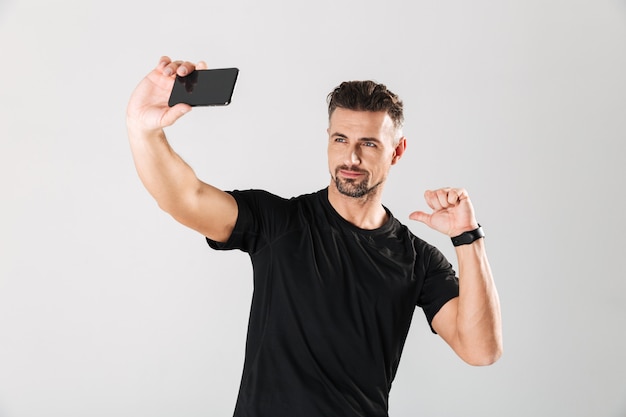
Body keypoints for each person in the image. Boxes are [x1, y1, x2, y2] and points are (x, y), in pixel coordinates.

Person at [127, 56, 502, 417]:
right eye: (341, 139)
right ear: (328, 139)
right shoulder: (279, 223)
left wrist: (468, 237)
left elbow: (481, 349)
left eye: (368, 144)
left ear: (397, 151)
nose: (351, 157)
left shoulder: (418, 259)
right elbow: (184, 198)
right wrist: (142, 127)